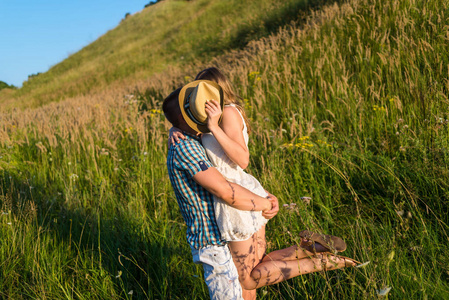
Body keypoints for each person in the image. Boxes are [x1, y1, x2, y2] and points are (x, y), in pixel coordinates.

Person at [163, 72, 358, 300]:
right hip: (244, 193)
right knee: (258, 265)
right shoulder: (210, 121)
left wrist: (213, 127)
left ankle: (323, 262)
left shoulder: (225, 114)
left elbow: (242, 160)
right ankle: (309, 248)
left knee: (247, 278)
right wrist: (175, 128)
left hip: (236, 200)